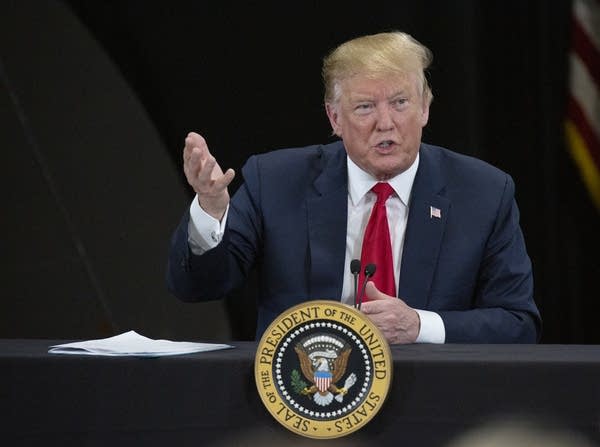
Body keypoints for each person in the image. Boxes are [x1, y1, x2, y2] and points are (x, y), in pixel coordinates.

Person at [166, 31, 541, 344]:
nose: (385, 122)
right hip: (305, 398)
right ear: (334, 118)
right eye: (364, 107)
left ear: (424, 108)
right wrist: (211, 208)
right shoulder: (276, 180)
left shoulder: (484, 192)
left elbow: (518, 324)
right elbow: (198, 287)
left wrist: (419, 326)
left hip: (435, 401)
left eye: (400, 103)